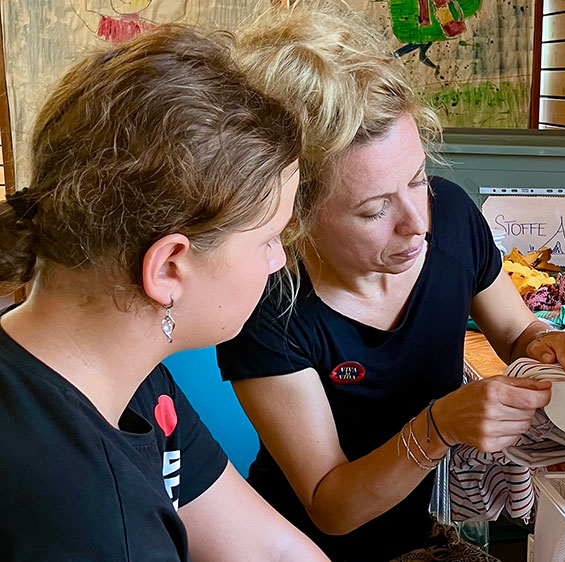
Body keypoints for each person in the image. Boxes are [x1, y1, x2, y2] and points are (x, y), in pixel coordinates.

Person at [215, 4, 565, 561]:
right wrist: (438, 427)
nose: (417, 224)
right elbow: (331, 505)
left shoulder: (451, 217)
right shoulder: (268, 305)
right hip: (303, 547)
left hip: (417, 535)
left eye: (418, 179)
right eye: (374, 210)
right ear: (295, 212)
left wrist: (551, 346)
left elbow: (517, 334)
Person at [0, 26, 327, 561]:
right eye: (270, 238)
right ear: (169, 268)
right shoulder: (90, 523)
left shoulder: (128, 381)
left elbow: (272, 551)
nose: (278, 261)